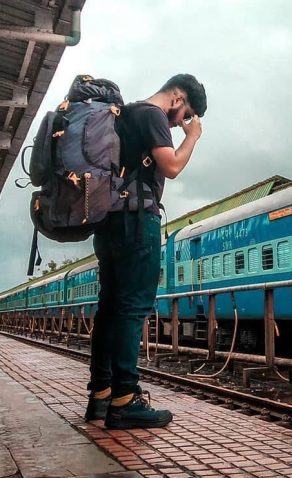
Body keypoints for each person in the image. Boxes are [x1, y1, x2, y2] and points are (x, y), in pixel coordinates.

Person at [85, 74, 207, 429]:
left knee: (109, 309)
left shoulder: (126, 114)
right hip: (137, 220)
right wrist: (193, 137)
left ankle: (101, 396)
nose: (179, 122)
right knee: (132, 308)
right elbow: (171, 166)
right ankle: (126, 400)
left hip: (110, 222)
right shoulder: (153, 115)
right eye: (183, 113)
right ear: (177, 97)